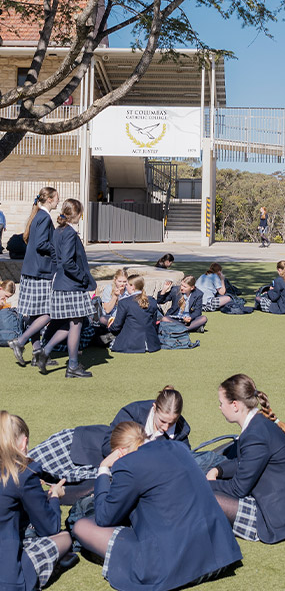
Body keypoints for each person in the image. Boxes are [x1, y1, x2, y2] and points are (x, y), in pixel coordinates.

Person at [72, 435, 242, 591]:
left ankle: (115, 558)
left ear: (120, 452)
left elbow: (104, 518)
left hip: (174, 567)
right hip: (221, 555)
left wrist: (103, 469)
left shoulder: (128, 464)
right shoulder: (177, 447)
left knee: (82, 526)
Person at [207, 373, 285, 544]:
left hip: (276, 518)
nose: (220, 407)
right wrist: (217, 470)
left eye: (221, 403)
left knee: (203, 493)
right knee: (209, 486)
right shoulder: (261, 420)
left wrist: (207, 483)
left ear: (235, 405)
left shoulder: (255, 434)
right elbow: (245, 462)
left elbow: (238, 489)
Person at [29, 387, 191, 485]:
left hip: (98, 473)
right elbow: (108, 445)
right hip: (79, 445)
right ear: (154, 408)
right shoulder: (133, 411)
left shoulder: (181, 433)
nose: (166, 427)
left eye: (172, 422)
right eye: (163, 421)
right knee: (21, 466)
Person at [0, 410, 73, 591]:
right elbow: (50, 527)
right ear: (24, 442)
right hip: (7, 577)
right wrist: (54, 496)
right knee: (64, 537)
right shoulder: (23, 473)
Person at [36, 198, 96, 378]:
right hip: (72, 285)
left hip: (61, 283)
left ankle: (46, 352)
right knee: (75, 325)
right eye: (81, 213)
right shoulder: (69, 232)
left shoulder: (58, 231)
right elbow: (68, 262)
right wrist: (84, 277)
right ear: (76, 214)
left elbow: (56, 258)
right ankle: (73, 366)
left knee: (69, 324)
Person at [9, 187, 59, 368]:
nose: (58, 202)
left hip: (32, 270)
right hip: (40, 272)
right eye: (56, 198)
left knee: (35, 314)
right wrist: (58, 248)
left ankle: (37, 352)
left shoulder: (38, 215)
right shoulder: (44, 217)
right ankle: (20, 341)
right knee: (49, 312)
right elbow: (41, 244)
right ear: (50, 199)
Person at [108, 274, 160, 353]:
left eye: (127, 285)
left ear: (132, 286)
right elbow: (153, 323)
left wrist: (110, 326)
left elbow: (116, 326)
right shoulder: (152, 301)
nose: (126, 287)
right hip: (151, 343)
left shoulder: (124, 302)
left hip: (130, 344)